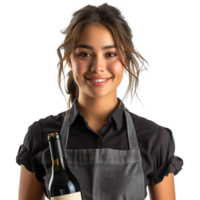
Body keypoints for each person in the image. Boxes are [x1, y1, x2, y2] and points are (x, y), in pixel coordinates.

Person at [15, 2, 185, 200]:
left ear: (126, 61)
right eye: (85, 54)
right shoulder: (40, 136)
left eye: (110, 54)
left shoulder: (154, 139)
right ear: (69, 59)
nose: (98, 66)